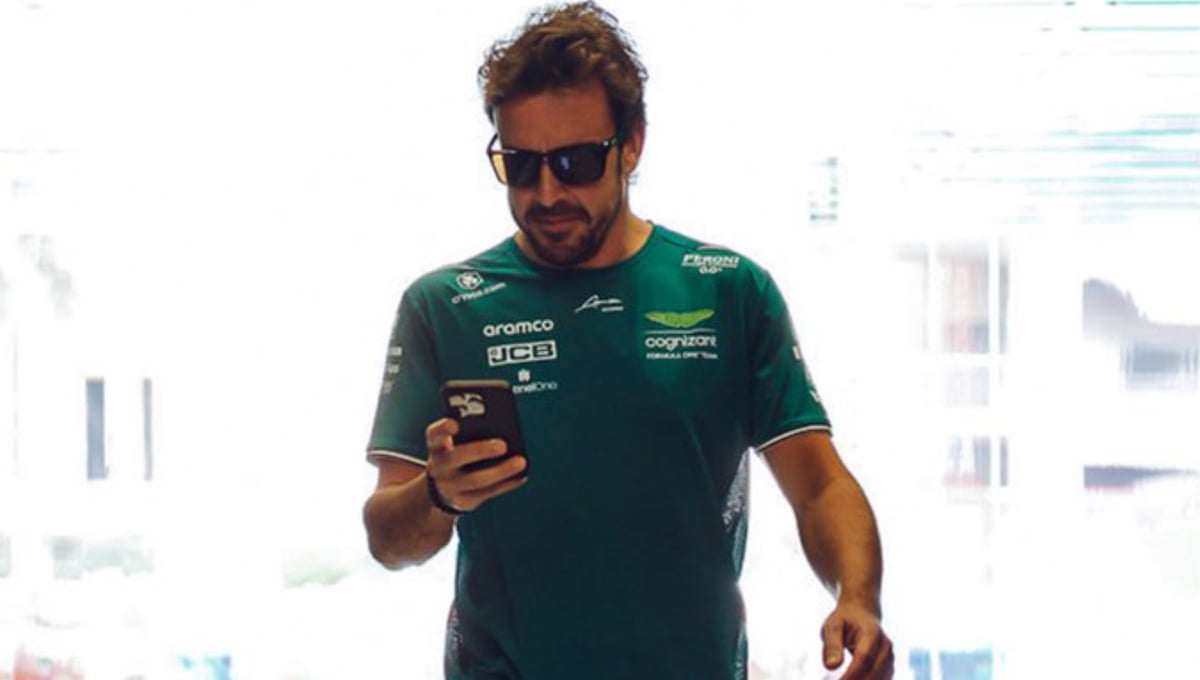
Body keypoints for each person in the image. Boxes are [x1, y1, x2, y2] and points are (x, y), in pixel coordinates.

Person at [361, 3, 894, 678]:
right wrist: (438, 494)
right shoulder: (444, 306)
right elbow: (388, 539)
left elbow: (819, 486)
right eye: (521, 166)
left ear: (632, 144)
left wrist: (858, 598)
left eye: (577, 162)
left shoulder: (728, 291)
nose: (547, 192)